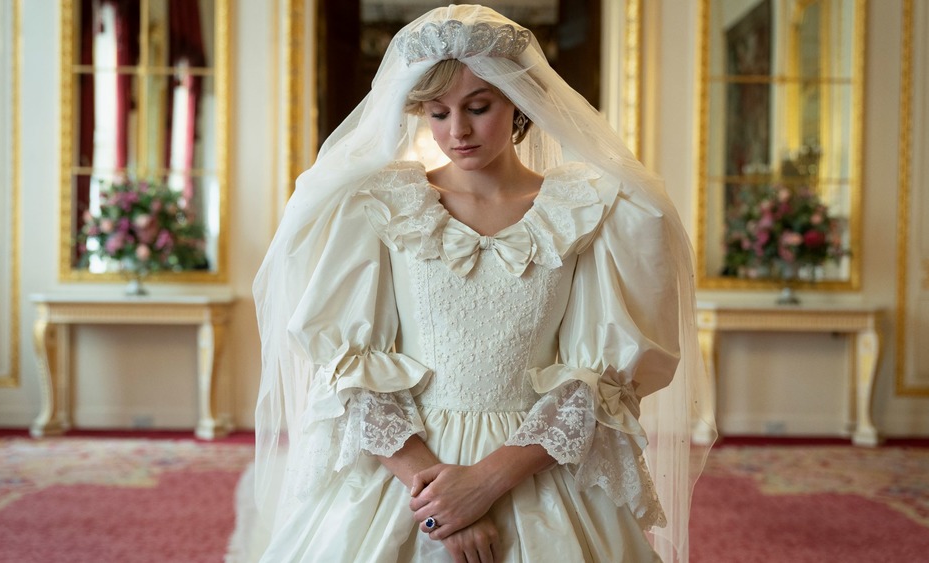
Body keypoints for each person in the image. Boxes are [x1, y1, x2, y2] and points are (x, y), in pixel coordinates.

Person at [249, 5, 715, 562]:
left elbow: (597, 383)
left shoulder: (590, 210)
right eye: (437, 112)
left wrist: (487, 483)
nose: (457, 131)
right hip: (405, 469)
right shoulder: (379, 205)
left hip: (537, 469)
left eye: (477, 107)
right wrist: (442, 502)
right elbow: (351, 373)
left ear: (519, 101)